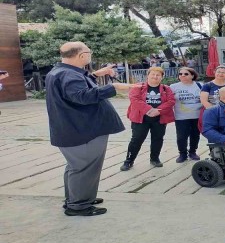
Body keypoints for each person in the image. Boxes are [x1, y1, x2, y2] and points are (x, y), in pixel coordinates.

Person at [45, 41, 132, 216]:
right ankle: (78, 205)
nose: (89, 54)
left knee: (75, 166)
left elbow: (75, 88)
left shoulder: (60, 71)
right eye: (88, 51)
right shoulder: (69, 75)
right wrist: (113, 87)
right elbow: (81, 96)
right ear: (81, 56)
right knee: (84, 167)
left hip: (74, 129)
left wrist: (95, 75)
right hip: (83, 130)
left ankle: (77, 198)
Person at [121, 67, 176, 171]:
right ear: (148, 75)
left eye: (158, 75)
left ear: (162, 77)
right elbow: (134, 99)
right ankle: (129, 161)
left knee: (157, 139)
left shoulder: (166, 89)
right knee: (136, 140)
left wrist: (158, 111)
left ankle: (154, 159)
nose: (155, 76)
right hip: (141, 119)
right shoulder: (138, 87)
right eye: (153, 74)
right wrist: (149, 110)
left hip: (159, 119)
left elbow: (171, 101)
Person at [170, 67, 203, 163]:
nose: (183, 75)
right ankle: (182, 153)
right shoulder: (173, 86)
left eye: (186, 74)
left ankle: (192, 152)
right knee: (181, 136)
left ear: (192, 75)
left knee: (195, 135)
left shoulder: (199, 85)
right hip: (181, 116)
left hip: (197, 115)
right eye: (180, 74)